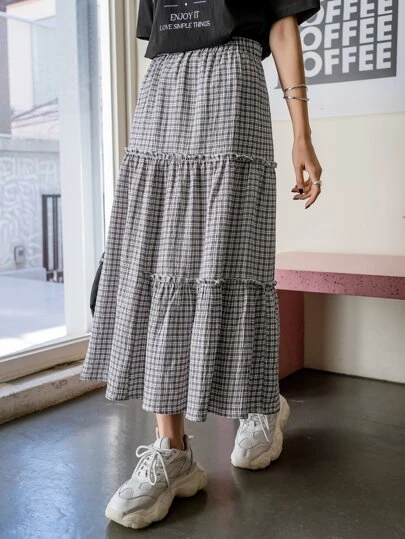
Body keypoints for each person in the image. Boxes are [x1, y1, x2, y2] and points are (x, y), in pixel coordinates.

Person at [79, 0, 322, 529]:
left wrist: (302, 132)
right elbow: (161, 39)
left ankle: (261, 403)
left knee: (231, 257)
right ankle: (173, 451)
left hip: (234, 82)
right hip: (164, 89)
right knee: (155, 259)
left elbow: (281, 25)